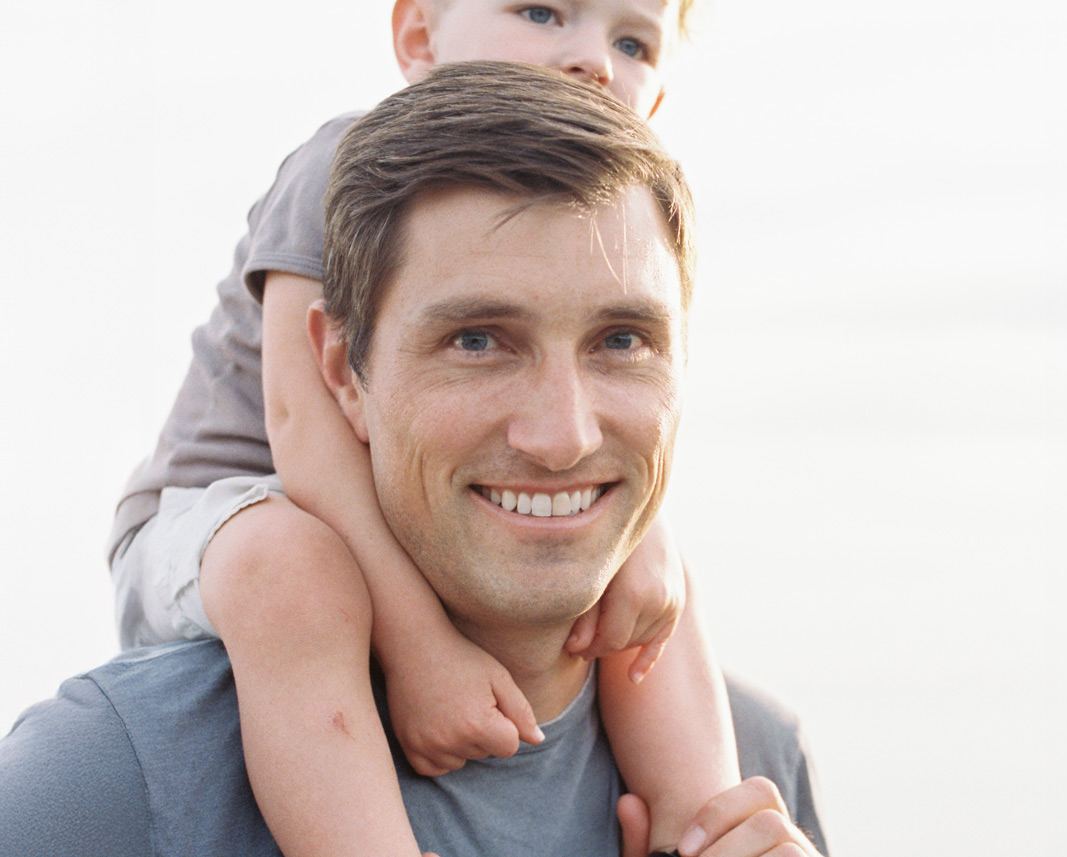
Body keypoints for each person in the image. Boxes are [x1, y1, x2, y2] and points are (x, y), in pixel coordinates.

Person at [0, 63, 828, 857]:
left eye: (623, 340)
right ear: (340, 371)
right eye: (476, 340)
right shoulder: (104, 784)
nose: (565, 435)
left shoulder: (753, 765)